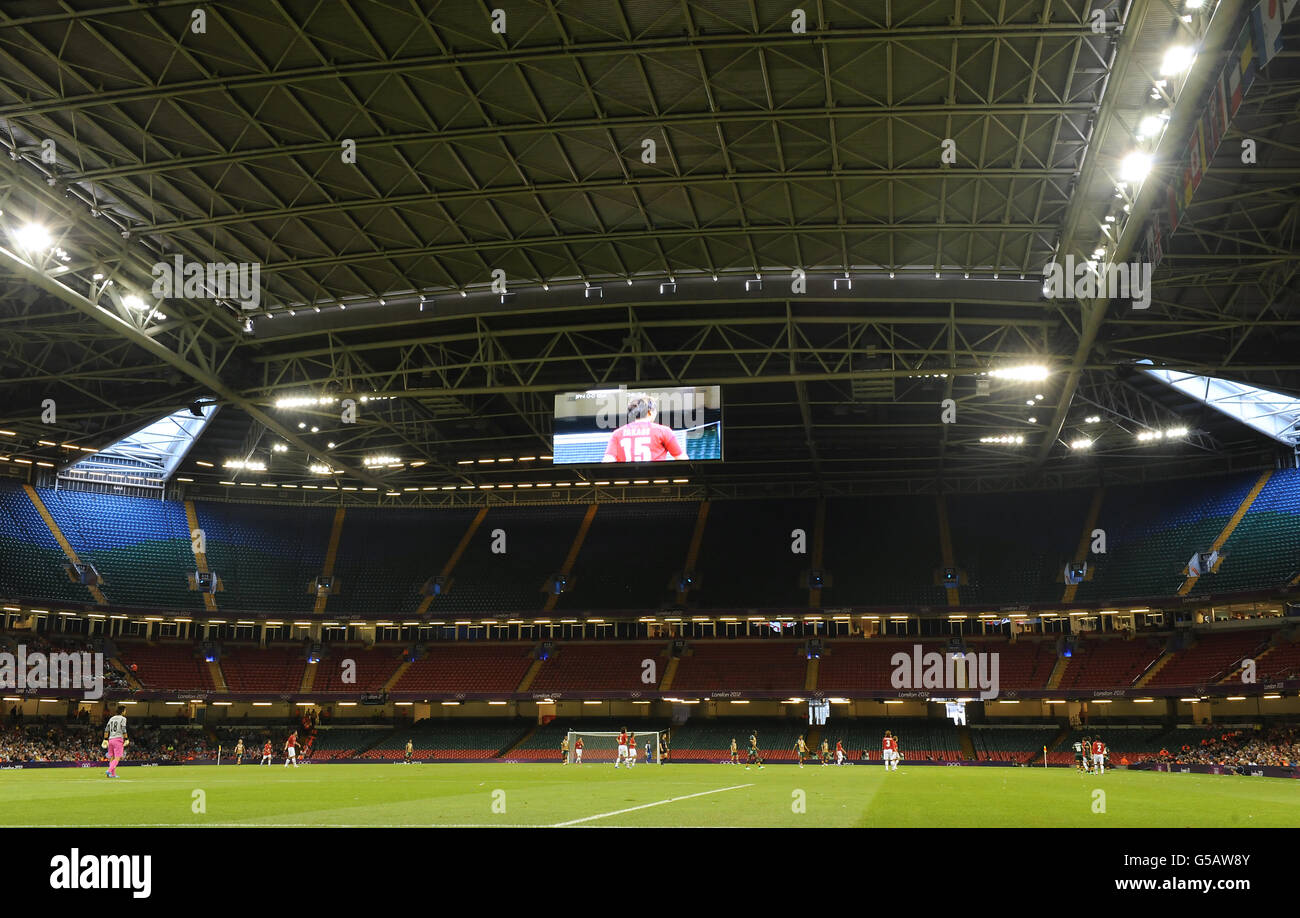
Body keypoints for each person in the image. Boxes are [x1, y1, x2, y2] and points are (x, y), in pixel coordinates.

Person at [602, 395, 684, 463]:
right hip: (656, 479)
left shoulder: (617, 434)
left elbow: (607, 462)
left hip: (627, 479)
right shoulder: (663, 431)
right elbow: (682, 460)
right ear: (650, 412)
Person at [102, 705, 128, 779]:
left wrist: (105, 739)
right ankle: (109, 770)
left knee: (112, 758)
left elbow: (106, 729)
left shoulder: (112, 718)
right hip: (118, 739)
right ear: (122, 711)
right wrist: (126, 739)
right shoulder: (123, 719)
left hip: (111, 739)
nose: (125, 712)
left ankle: (112, 774)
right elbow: (123, 729)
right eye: (125, 710)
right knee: (117, 758)